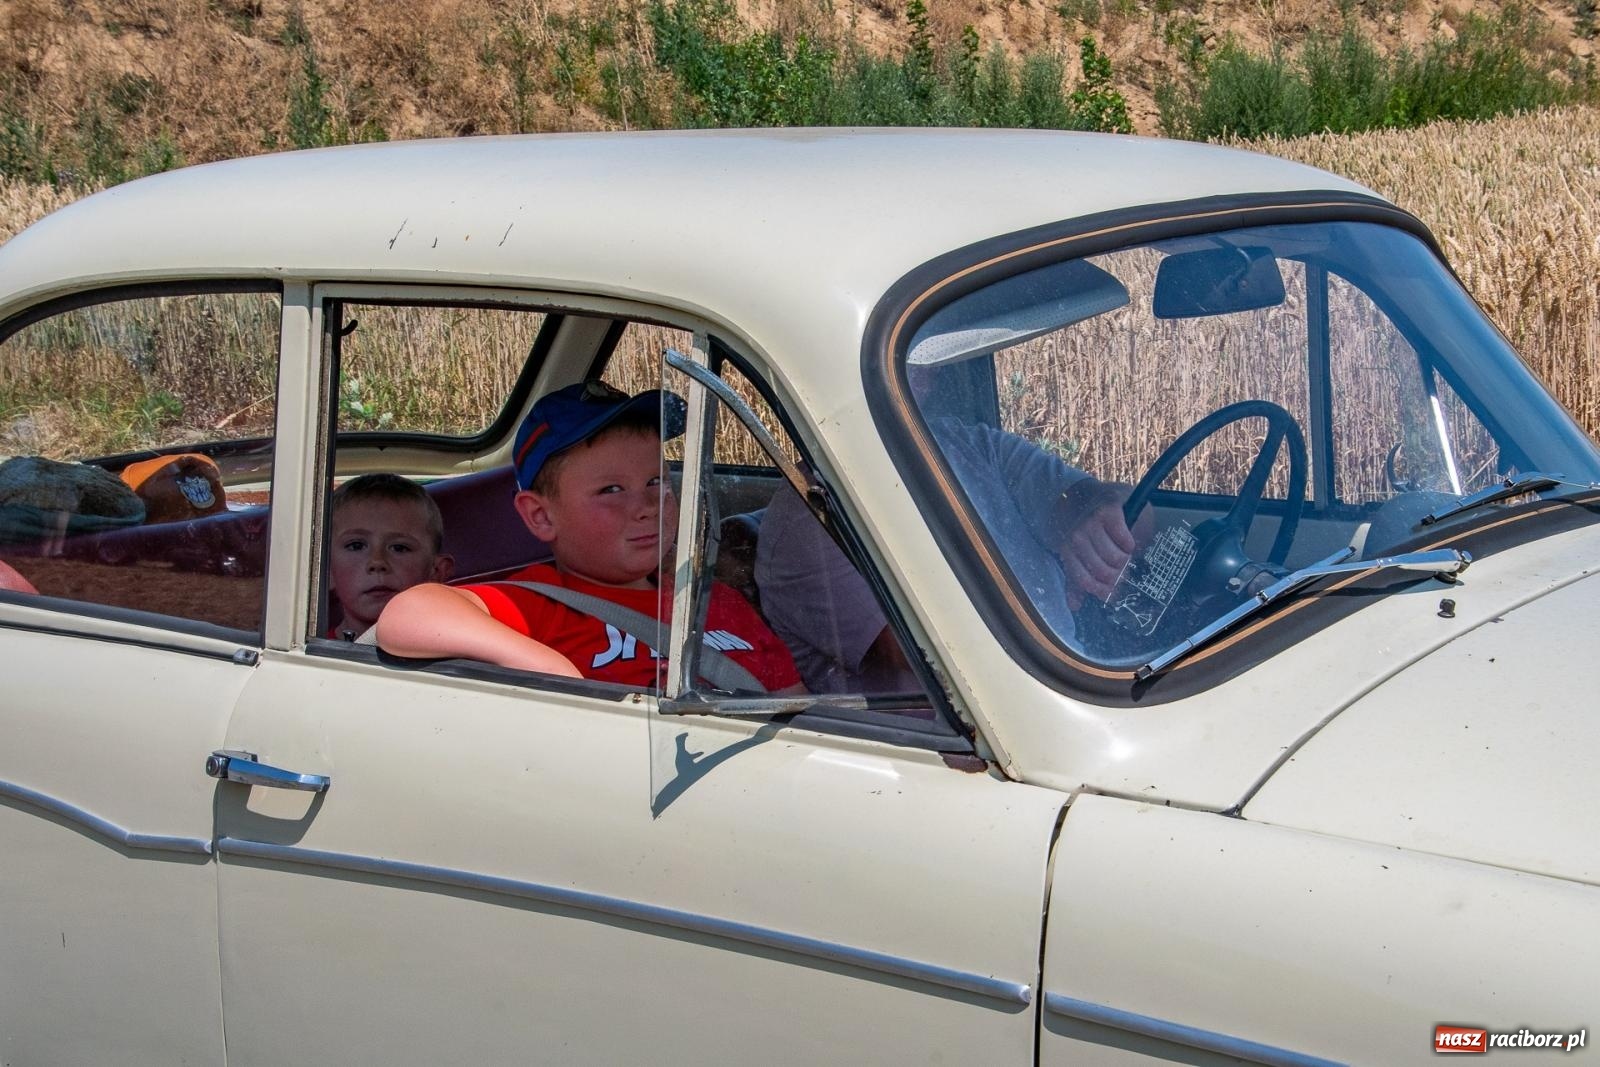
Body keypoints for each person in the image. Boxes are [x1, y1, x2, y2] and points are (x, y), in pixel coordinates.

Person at [378, 380, 803, 693]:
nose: (648, 505)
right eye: (611, 490)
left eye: (657, 481)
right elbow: (409, 613)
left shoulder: (713, 602)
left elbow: (795, 708)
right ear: (541, 516)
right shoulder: (536, 605)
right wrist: (547, 667)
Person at [755, 415, 1148, 692]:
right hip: (952, 744)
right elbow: (936, 656)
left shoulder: (970, 446)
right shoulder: (810, 518)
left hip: (1064, 680)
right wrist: (1045, 598)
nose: (927, 371)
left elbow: (1142, 515)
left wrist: (1091, 512)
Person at [328, 473, 455, 640]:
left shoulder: (453, 646)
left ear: (437, 571)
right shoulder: (304, 652)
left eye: (399, 548)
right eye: (356, 546)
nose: (377, 562)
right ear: (326, 570)